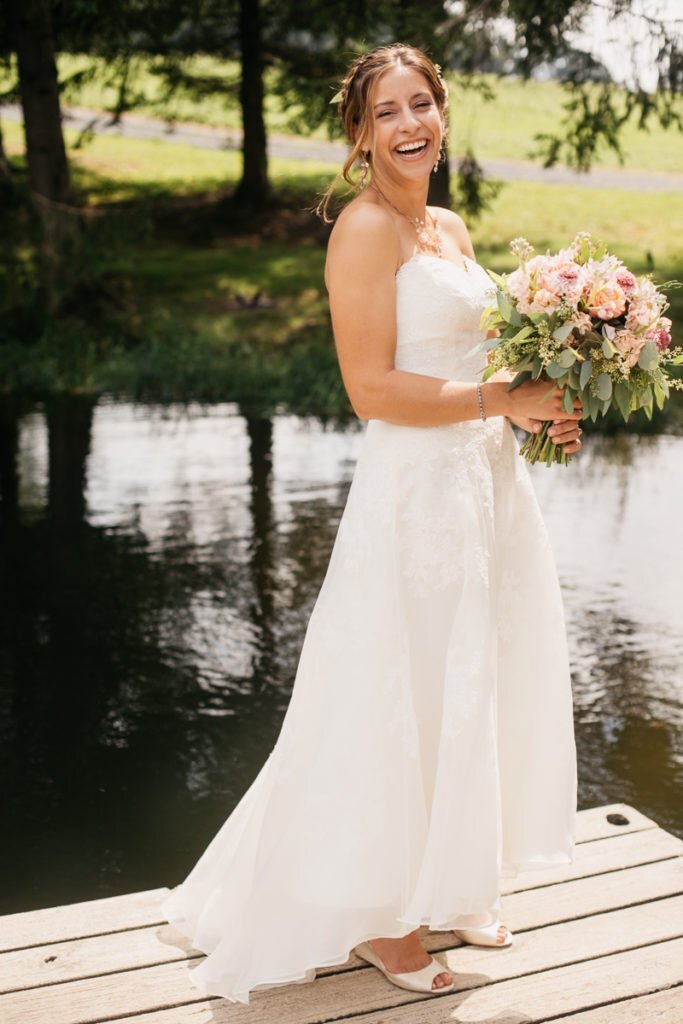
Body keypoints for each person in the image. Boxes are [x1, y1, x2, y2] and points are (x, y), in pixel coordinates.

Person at [161, 43, 581, 1003]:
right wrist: (499, 398)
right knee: (399, 689)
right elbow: (371, 390)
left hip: (484, 489)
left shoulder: (452, 227)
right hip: (413, 499)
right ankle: (385, 925)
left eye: (420, 104)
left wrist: (546, 408)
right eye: (385, 112)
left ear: (442, 115)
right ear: (359, 134)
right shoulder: (362, 232)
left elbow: (488, 370)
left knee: (470, 679)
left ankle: (451, 880)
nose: (408, 125)